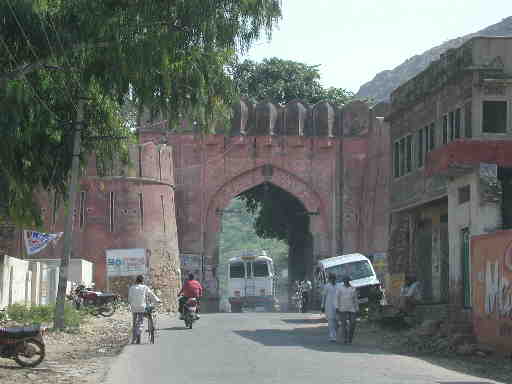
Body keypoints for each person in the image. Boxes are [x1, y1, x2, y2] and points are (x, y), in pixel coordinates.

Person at [128, 275, 161, 344]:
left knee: (134, 322)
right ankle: (139, 331)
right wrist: (157, 300)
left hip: (133, 307)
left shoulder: (131, 288)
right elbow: (151, 295)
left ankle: (134, 336)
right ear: (142, 281)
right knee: (140, 320)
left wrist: (131, 304)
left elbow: (129, 298)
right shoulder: (145, 287)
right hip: (142, 307)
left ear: (136, 281)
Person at [336, 275, 359, 344]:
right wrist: (337, 307)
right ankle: (345, 338)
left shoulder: (353, 288)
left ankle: (350, 338)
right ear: (343, 281)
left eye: (347, 281)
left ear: (349, 281)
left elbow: (355, 299)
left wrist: (357, 308)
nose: (346, 282)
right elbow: (337, 298)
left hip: (352, 308)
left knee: (353, 323)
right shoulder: (340, 289)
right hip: (342, 308)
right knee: (344, 324)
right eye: (345, 281)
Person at [322, 273, 339, 342]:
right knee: (330, 321)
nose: (333, 280)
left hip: (338, 306)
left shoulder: (339, 286)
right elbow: (324, 296)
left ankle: (335, 334)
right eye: (331, 278)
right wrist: (322, 306)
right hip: (329, 305)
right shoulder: (327, 286)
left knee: (337, 322)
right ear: (330, 279)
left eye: (334, 278)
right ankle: (332, 336)